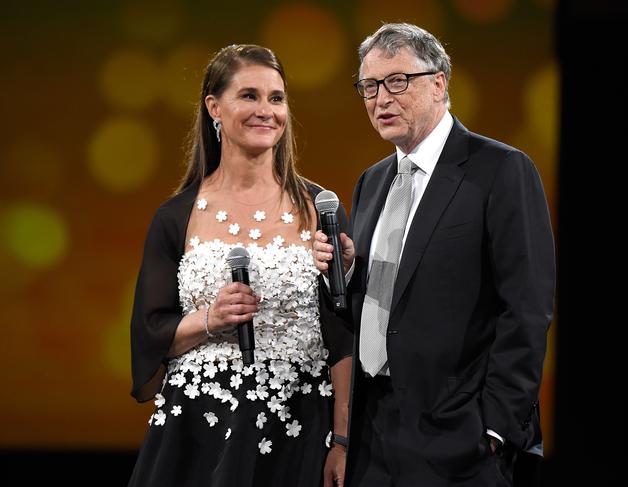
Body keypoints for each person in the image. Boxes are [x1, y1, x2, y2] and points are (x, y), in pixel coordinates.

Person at [313, 23, 555, 487]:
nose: (381, 99)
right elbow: (383, 300)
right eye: (369, 86)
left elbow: (526, 308)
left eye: (397, 81)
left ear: (439, 82)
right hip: (374, 433)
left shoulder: (500, 170)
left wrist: (496, 428)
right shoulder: (372, 181)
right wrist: (343, 274)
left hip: (459, 438)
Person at [128, 44, 352, 487]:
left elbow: (342, 334)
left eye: (276, 98)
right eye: (249, 95)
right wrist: (210, 319)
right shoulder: (177, 215)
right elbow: (150, 333)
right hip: (200, 426)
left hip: (298, 424)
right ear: (214, 106)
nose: (265, 110)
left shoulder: (320, 207)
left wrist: (342, 440)